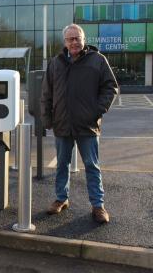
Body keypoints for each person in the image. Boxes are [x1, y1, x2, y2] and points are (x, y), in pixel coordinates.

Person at [40, 23, 118, 224]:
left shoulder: (97, 60)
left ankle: (98, 205)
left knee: (92, 166)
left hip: (87, 125)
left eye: (77, 38)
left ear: (84, 40)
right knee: (61, 165)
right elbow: (46, 93)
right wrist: (47, 118)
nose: (74, 42)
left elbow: (111, 87)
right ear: (64, 42)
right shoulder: (56, 63)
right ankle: (61, 199)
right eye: (70, 39)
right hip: (62, 124)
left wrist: (96, 111)